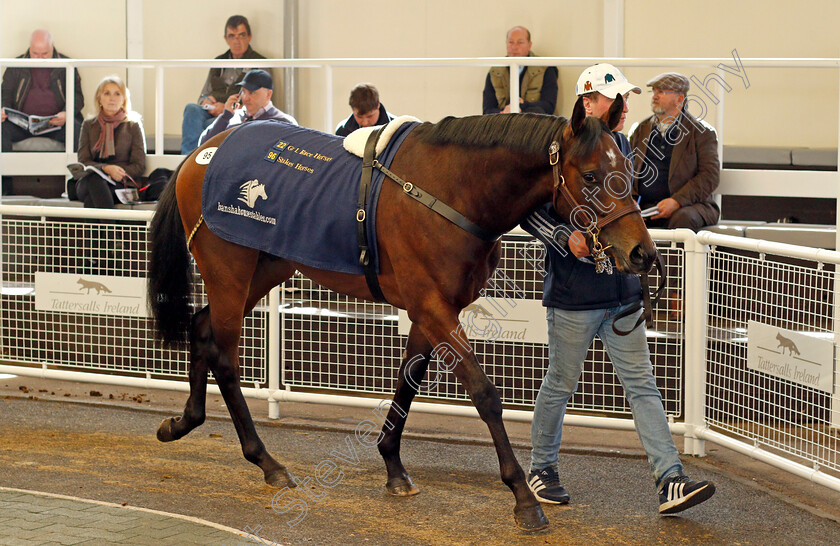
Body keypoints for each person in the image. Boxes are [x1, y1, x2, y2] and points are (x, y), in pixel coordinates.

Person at [521, 63, 716, 515]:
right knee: (560, 384)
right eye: (615, 98)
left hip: (623, 291)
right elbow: (528, 211)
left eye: (626, 98)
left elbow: (627, 204)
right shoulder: (556, 147)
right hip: (575, 294)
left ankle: (670, 479)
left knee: (643, 386)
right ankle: (541, 468)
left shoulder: (622, 145)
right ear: (587, 102)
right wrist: (562, 237)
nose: (625, 106)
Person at [629, 72, 720, 231]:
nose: (654, 96)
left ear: (680, 99)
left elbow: (709, 176)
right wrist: (631, 199)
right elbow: (626, 169)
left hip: (687, 206)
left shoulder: (701, 132)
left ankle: (675, 257)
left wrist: (677, 201)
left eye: (661, 92)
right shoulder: (640, 130)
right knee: (622, 219)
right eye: (654, 91)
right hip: (644, 208)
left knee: (683, 219)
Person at [180, 15, 266, 154]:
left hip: (238, 114)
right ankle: (187, 160)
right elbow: (203, 94)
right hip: (212, 111)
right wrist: (206, 101)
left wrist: (227, 109)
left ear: (249, 37)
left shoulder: (260, 64)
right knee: (191, 109)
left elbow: (261, 103)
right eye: (232, 36)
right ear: (226, 39)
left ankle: (195, 162)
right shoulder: (218, 61)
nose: (236, 41)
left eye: (241, 35)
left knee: (207, 125)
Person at [1, 29, 84, 151]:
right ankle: (4, 170)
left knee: (77, 129)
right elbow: (5, 94)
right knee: (1, 129)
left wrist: (66, 113)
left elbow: (78, 97)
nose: (39, 58)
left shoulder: (67, 65)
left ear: (52, 48)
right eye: (35, 53)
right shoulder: (16, 66)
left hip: (56, 124)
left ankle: (76, 170)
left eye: (44, 53)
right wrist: (3, 109)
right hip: (22, 125)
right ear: (29, 49)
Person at [73, 75, 145, 209]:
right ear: (99, 98)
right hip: (90, 180)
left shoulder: (132, 125)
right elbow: (83, 161)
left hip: (121, 183)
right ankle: (112, 230)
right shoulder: (89, 125)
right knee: (95, 180)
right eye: (107, 93)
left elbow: (139, 165)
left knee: (91, 200)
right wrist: (106, 169)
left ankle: (107, 230)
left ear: (124, 99)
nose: (112, 98)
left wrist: (117, 173)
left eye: (117, 94)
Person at [198, 69, 296, 145]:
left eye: (252, 93)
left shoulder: (284, 122)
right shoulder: (231, 117)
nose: (245, 98)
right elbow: (203, 144)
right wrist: (225, 116)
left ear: (268, 94)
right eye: (243, 92)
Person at [482, 26, 558, 115]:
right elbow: (487, 110)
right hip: (503, 124)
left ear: (529, 45)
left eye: (520, 42)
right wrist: (504, 112)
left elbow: (548, 106)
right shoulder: (495, 71)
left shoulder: (545, 68)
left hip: (535, 124)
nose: (514, 47)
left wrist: (522, 107)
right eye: (511, 42)